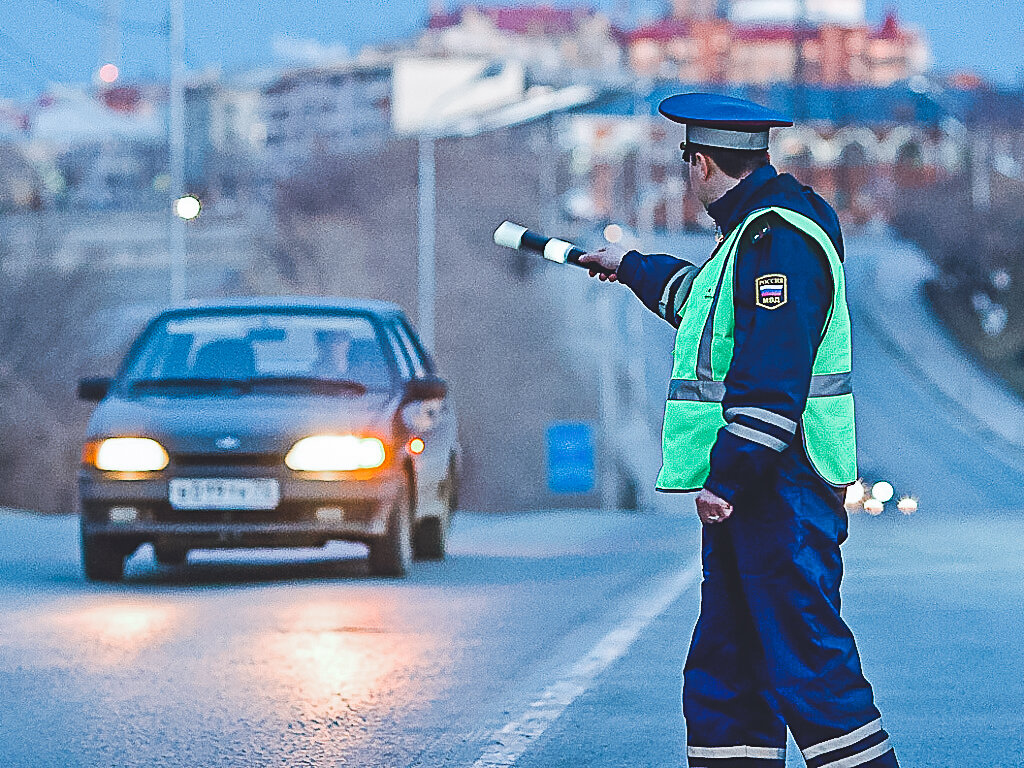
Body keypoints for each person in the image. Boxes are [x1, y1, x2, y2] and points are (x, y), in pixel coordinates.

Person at [579, 93, 899, 768]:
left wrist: (727, 478)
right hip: (763, 494)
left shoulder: (776, 238)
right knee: (730, 673)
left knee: (811, 668)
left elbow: (772, 373)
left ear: (699, 163)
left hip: (779, 489)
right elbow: (704, 305)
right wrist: (629, 264)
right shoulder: (754, 233)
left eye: (686, 161)